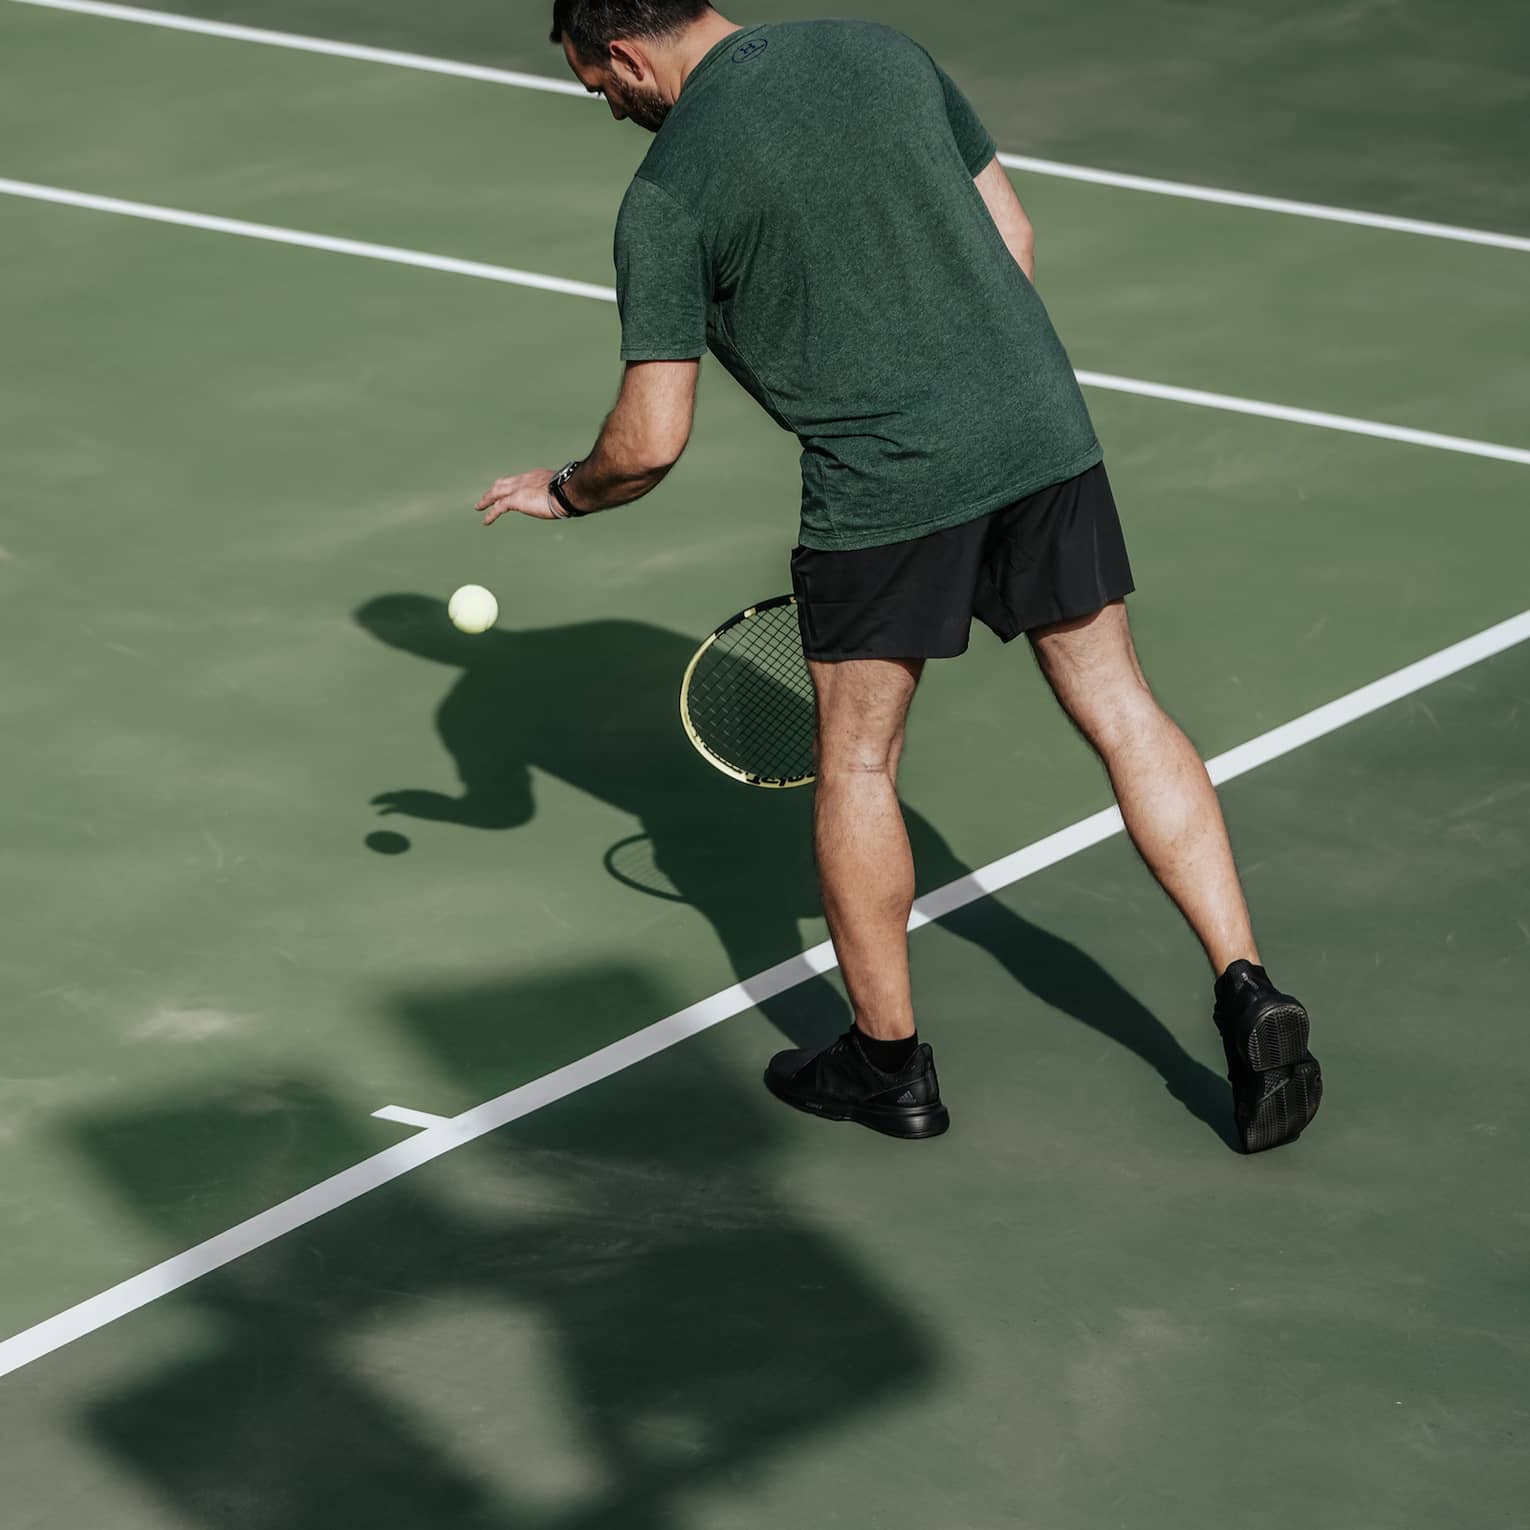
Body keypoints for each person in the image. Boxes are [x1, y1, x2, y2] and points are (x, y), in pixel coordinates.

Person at [475, 2, 1322, 1154]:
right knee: (1125, 709)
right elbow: (1010, 234)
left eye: (597, 86)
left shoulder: (668, 195)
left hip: (885, 491)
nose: (608, 107)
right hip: (1039, 432)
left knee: (859, 764)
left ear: (624, 52)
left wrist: (568, 490)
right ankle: (1247, 989)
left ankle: (888, 1066)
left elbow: (651, 440)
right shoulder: (878, 49)